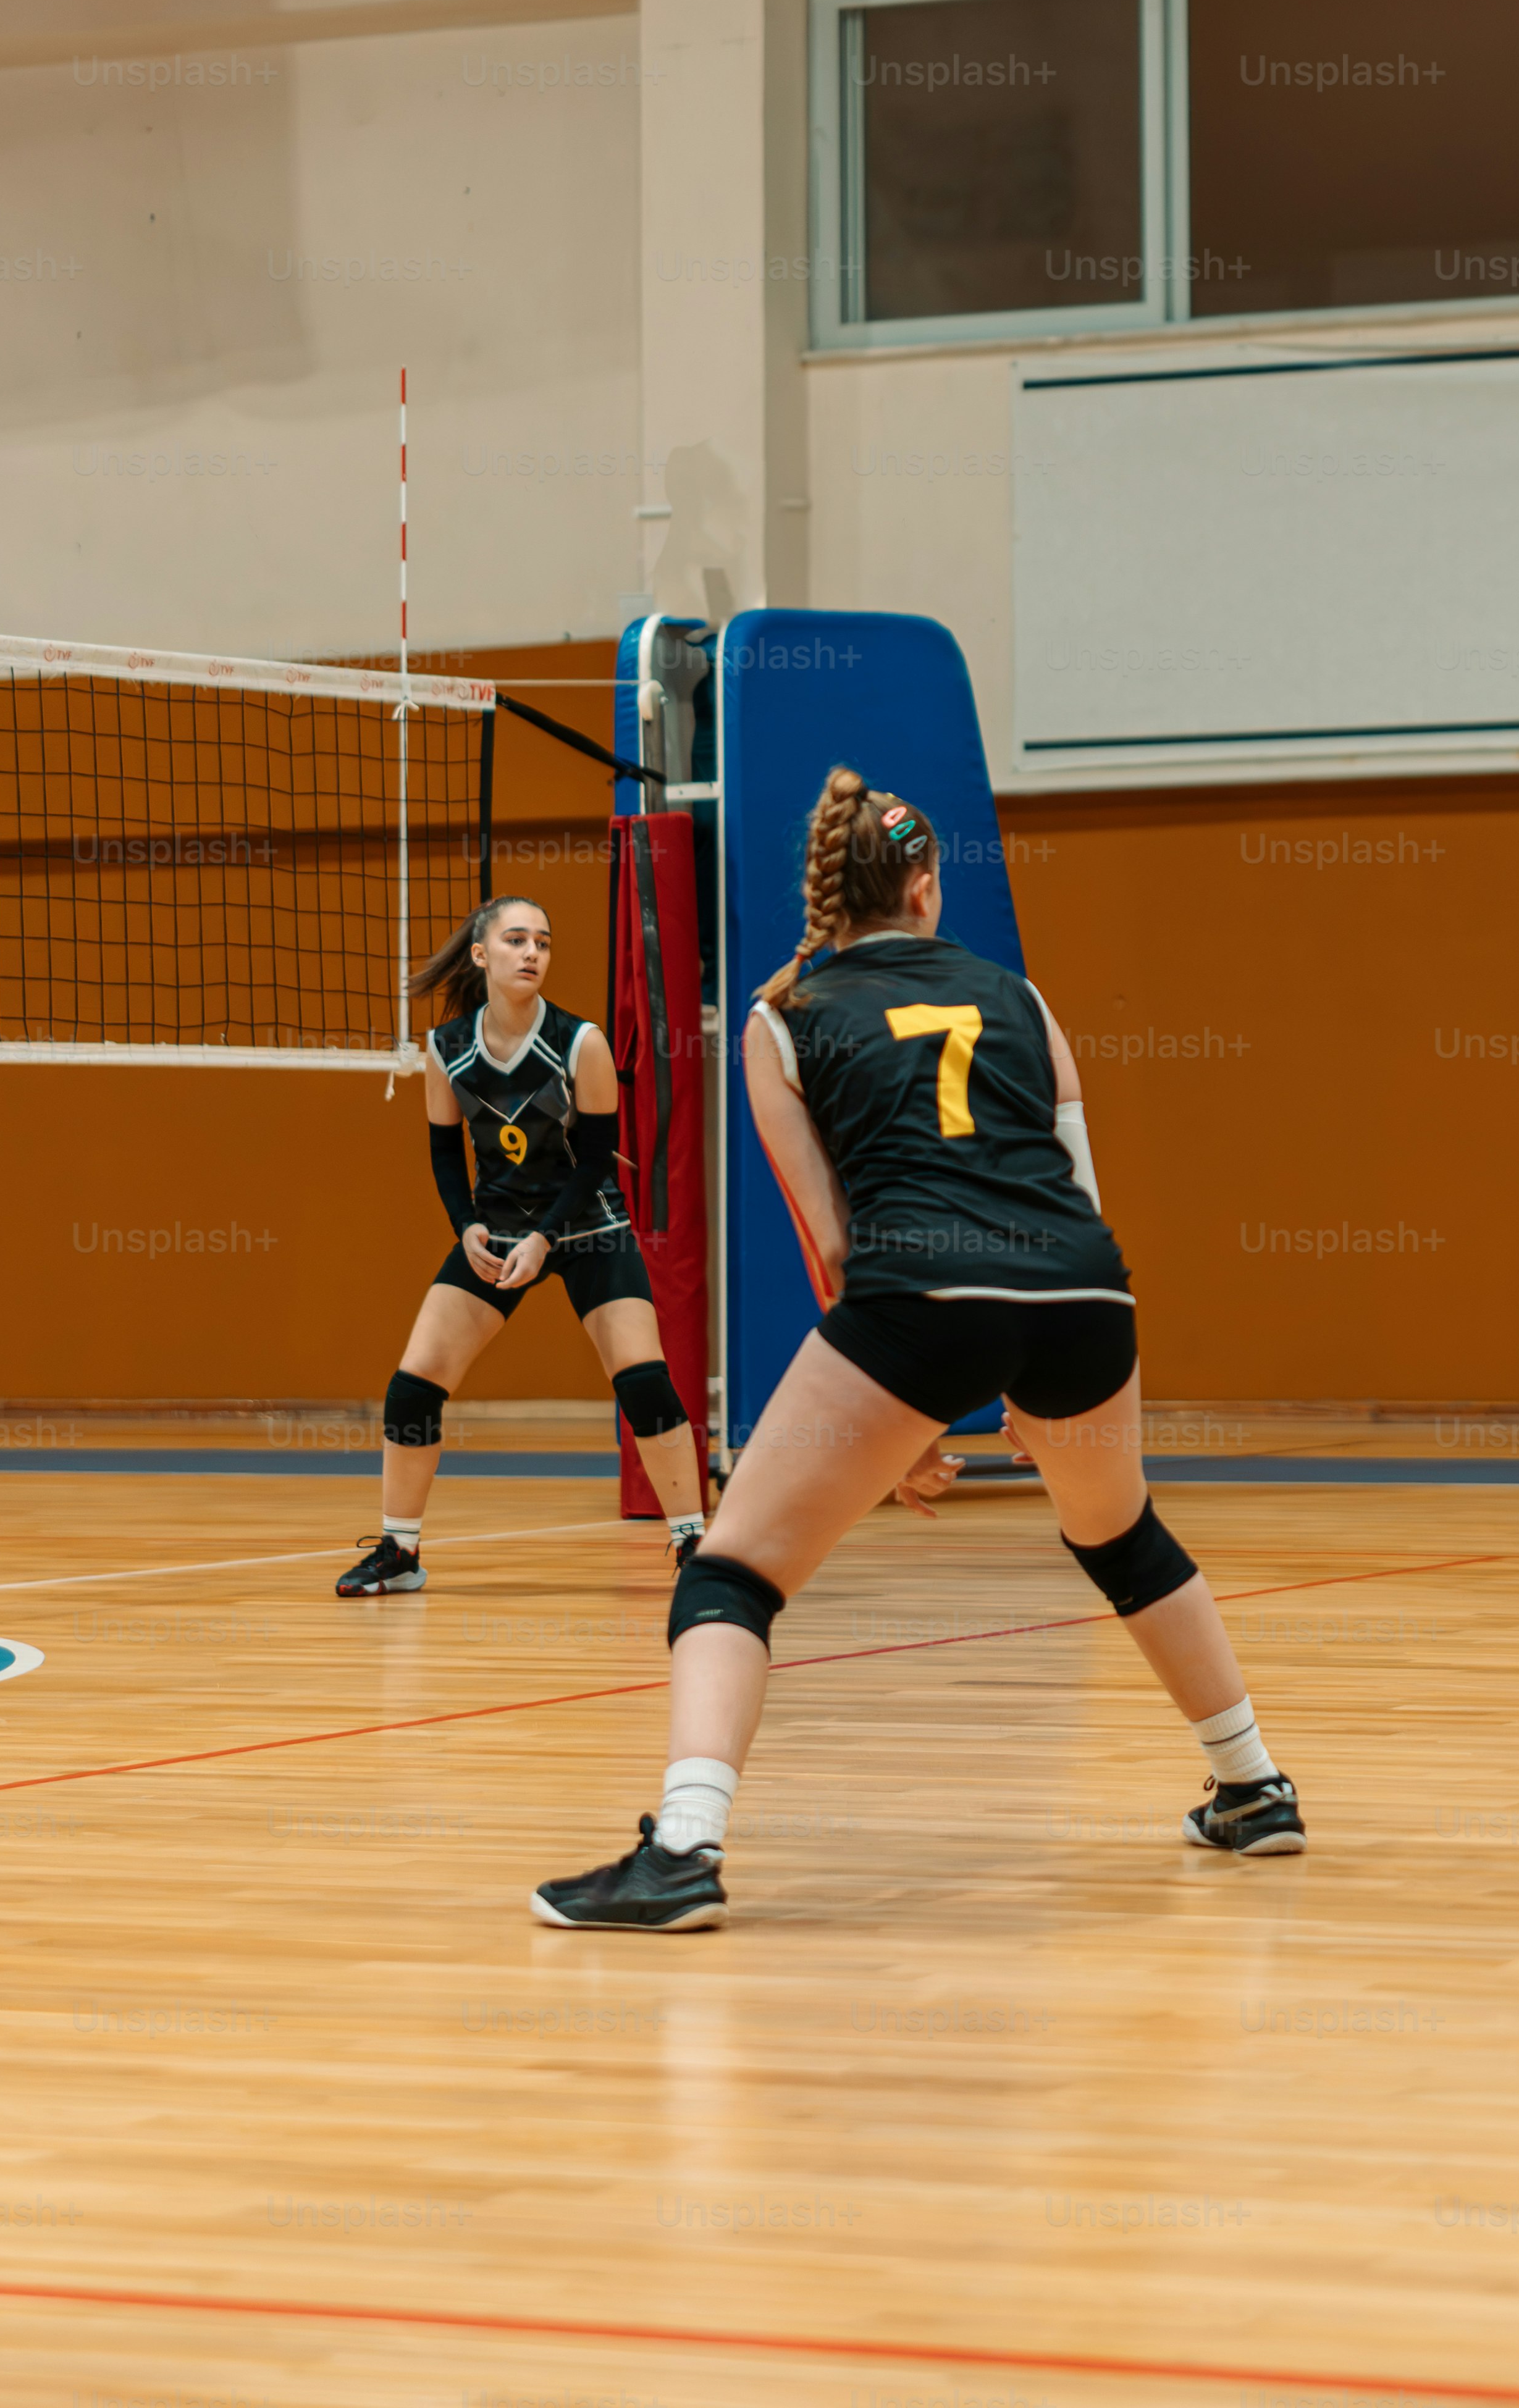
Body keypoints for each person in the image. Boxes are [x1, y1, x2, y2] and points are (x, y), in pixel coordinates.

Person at [528, 769, 1301, 1931]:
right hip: (1085, 1289)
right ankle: (1253, 1784)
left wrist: (904, 1421)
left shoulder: (778, 1018)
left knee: (732, 1570)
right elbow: (1077, 1191)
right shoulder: (1021, 997)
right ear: (929, 887)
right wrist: (1037, 1399)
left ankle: (683, 1847)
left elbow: (834, 1245)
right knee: (1122, 1531)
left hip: (924, 1295)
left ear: (832, 893)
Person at [340, 897, 705, 1596]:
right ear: (482, 954)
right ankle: (400, 1551)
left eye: (543, 939)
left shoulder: (580, 1041)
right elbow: (447, 1154)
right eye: (516, 939)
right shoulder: (447, 1047)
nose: (532, 950)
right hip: (499, 1229)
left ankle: (694, 1541)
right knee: (413, 1387)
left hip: (588, 1225)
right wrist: (466, 1225)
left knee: (643, 1380)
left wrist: (545, 1237)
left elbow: (598, 1160)